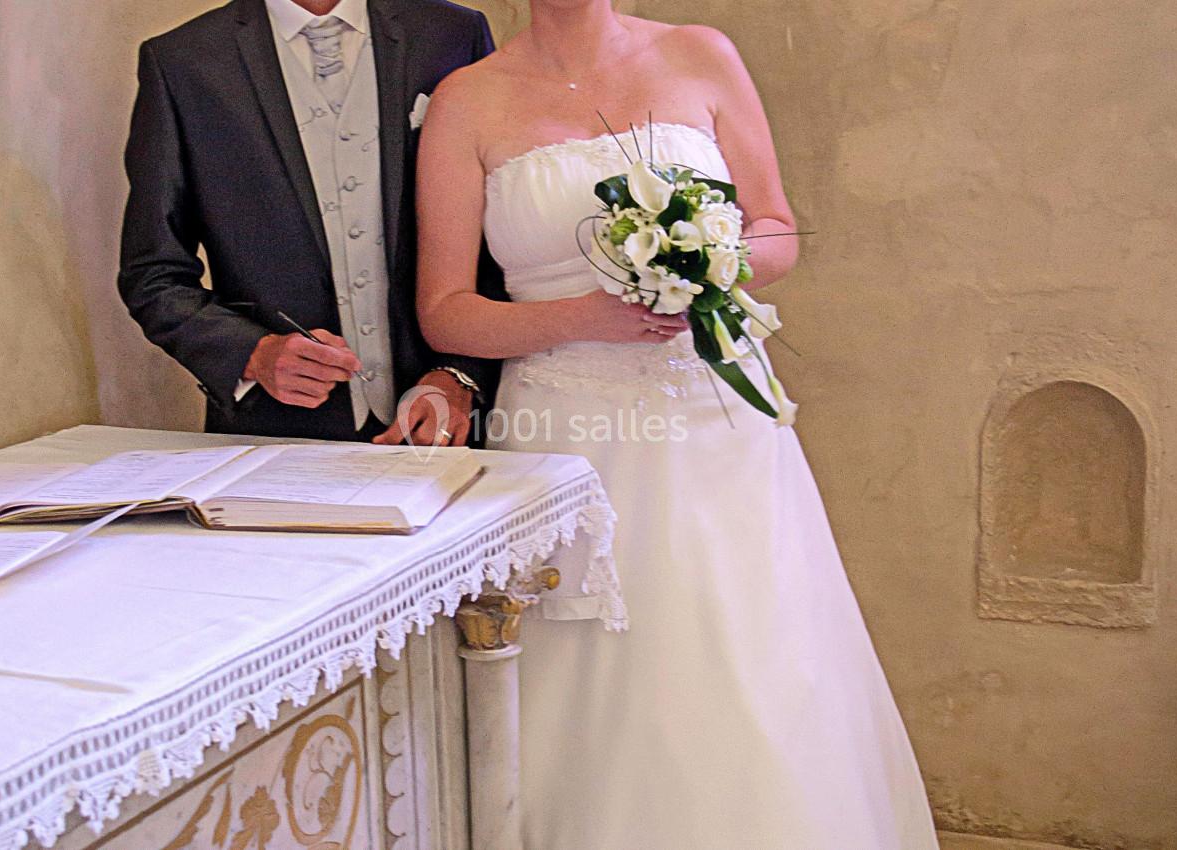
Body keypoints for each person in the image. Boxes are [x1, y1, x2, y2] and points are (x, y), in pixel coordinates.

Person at [414, 1, 942, 846]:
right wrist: (584, 315)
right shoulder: (465, 100)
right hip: (565, 430)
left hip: (713, 420)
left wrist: (707, 261)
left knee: (743, 648)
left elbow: (776, 226)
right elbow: (446, 313)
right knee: (587, 671)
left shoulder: (700, 54)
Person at [118, 0, 504, 446]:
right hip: (276, 439)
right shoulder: (183, 61)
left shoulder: (451, 34)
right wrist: (252, 353)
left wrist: (464, 372)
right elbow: (153, 273)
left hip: (444, 429)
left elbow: (500, 238)